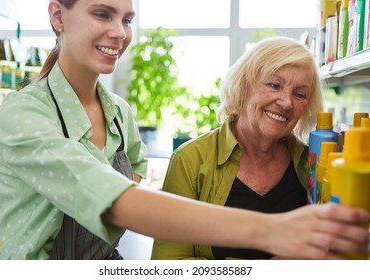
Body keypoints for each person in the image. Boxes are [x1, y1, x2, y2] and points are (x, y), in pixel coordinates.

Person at [0, 0, 369, 260]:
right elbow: (115, 198)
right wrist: (274, 232)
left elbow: (133, 168)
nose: (119, 33)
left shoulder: (119, 112)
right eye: (102, 14)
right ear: (58, 15)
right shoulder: (25, 113)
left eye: (126, 20)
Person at [151, 36, 367, 260]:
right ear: (243, 85)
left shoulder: (310, 163)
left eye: (299, 94)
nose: (286, 102)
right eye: (274, 85)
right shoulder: (190, 160)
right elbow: (169, 264)